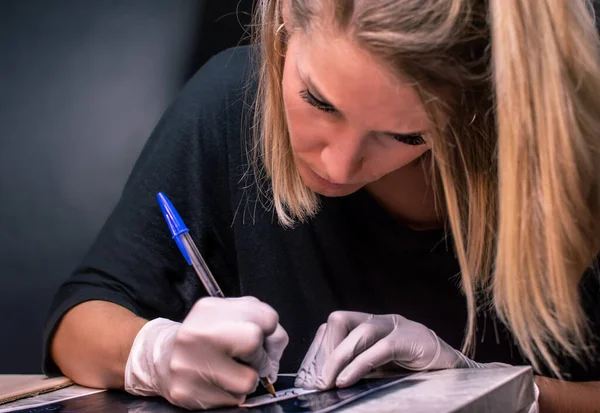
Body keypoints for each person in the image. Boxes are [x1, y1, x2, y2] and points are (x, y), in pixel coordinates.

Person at [44, 0, 600, 411]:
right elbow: (79, 322)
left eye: (407, 137)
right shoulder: (228, 104)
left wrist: (507, 392)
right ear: (285, 15)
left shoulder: (568, 161)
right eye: (318, 101)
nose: (338, 167)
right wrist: (155, 354)